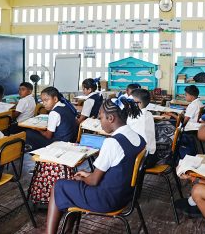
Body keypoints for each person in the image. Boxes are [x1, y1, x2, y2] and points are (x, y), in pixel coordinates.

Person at [45, 98, 145, 234]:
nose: (100, 121)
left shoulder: (113, 143)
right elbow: (118, 170)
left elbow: (93, 181)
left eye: (101, 117)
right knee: (73, 185)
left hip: (107, 200)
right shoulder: (138, 137)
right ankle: (67, 230)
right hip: (126, 195)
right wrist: (87, 175)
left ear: (110, 118)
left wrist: (85, 178)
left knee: (59, 186)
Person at [127, 88, 157, 167]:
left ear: (138, 103)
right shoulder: (147, 114)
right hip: (150, 155)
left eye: (130, 101)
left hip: (144, 159)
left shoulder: (138, 117)